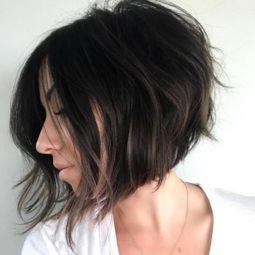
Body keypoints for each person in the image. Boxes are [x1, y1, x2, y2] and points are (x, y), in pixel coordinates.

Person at [9, 0, 255, 254]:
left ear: (136, 108)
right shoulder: (54, 246)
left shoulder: (248, 225)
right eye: (44, 116)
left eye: (62, 111)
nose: (42, 144)